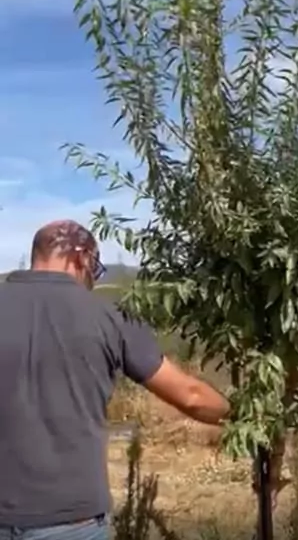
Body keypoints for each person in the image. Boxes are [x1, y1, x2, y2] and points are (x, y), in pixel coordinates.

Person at [0, 220, 230, 540]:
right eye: (96, 267)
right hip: (71, 519)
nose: (93, 278)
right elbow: (190, 396)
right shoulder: (109, 316)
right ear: (82, 257)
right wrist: (250, 417)